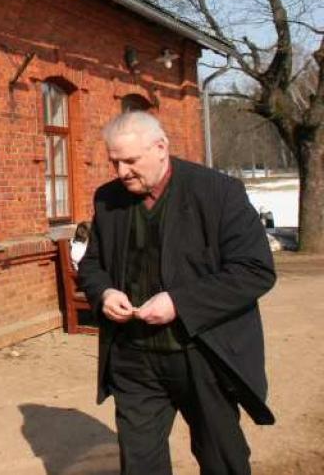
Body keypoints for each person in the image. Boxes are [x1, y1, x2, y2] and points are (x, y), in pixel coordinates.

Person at [77, 111, 276, 475]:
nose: (121, 172)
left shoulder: (217, 192)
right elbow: (91, 265)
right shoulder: (107, 199)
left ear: (161, 148)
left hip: (203, 353)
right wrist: (104, 292)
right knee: (140, 465)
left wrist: (179, 303)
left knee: (222, 460)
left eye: (131, 161)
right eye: (114, 162)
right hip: (133, 358)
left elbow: (254, 270)